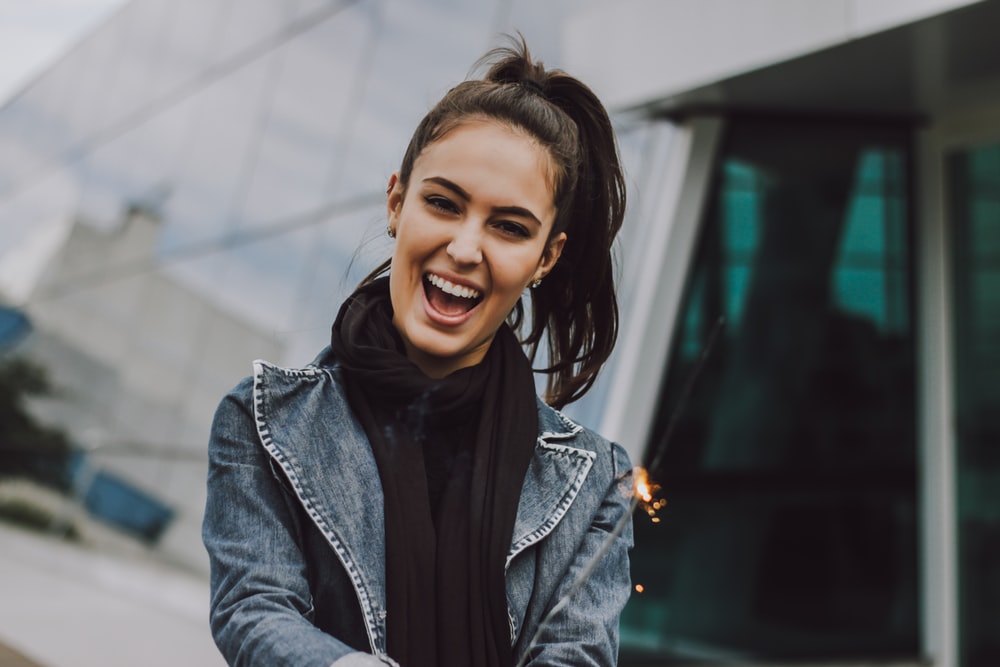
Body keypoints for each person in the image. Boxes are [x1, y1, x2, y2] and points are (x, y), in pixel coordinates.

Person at [202, 36, 633, 667]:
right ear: (397, 202)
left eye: (509, 227)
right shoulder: (264, 423)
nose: (465, 248)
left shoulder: (596, 485)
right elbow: (253, 609)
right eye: (443, 203)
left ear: (547, 257)